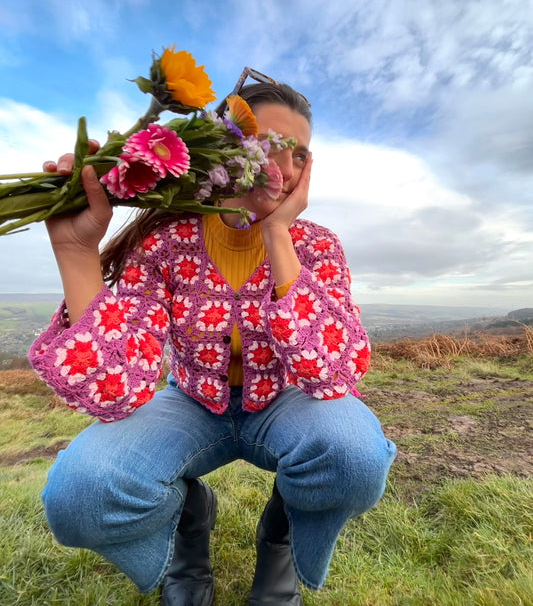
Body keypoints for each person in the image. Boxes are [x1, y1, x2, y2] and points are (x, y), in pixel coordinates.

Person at [29, 74, 396, 606]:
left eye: (299, 154)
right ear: (223, 149)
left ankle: (282, 534)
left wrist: (276, 233)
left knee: (355, 458)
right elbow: (115, 390)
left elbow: (333, 374)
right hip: (191, 403)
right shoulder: (166, 242)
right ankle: (187, 519)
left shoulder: (317, 246)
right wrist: (77, 252)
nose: (285, 170)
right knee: (79, 497)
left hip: (286, 402)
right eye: (267, 147)